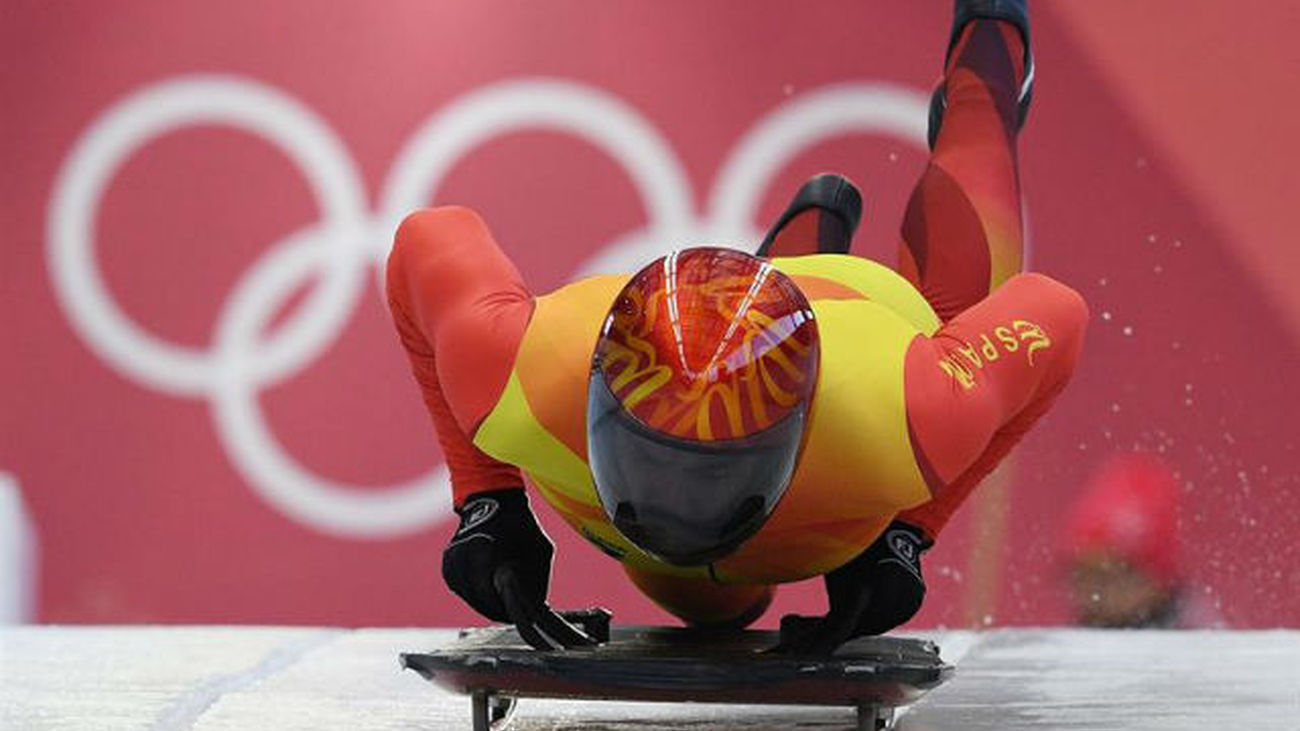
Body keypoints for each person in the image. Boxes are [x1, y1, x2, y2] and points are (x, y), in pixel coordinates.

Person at [386, 0, 1088, 653]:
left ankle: (984, 73)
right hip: (802, 494)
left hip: (861, 338)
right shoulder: (520, 366)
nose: (678, 512)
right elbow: (423, 240)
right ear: (597, 395)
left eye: (706, 480)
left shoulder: (907, 410)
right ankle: (799, 247)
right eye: (655, 464)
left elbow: (1054, 313)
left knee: (956, 311)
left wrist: (911, 528)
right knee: (715, 605)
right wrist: (488, 499)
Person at [1062, 452, 1221, 629]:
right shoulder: (1071, 647)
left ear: (1160, 580)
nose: (1097, 591)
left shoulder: (1198, 646)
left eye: (1117, 574)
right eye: (1085, 574)